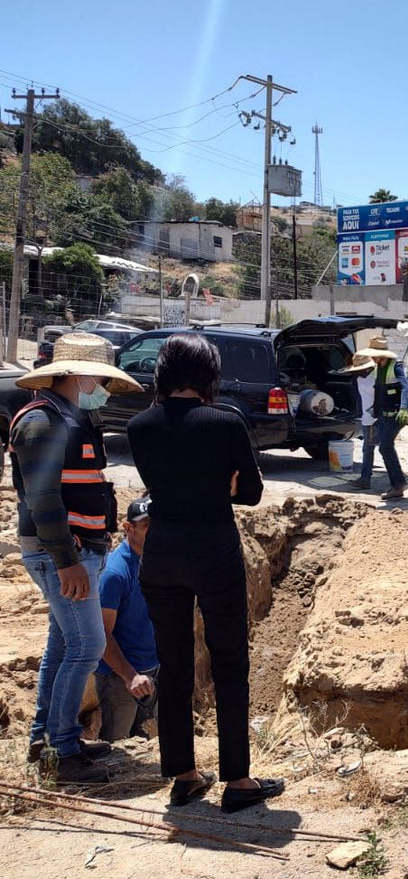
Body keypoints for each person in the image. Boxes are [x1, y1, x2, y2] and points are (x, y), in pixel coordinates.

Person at [125, 333, 282, 813]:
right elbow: (251, 493)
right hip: (214, 551)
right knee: (230, 661)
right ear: (208, 374)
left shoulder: (139, 425)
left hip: (163, 553)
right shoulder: (226, 422)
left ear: (164, 372)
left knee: (173, 666)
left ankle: (185, 775)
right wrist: (222, 487)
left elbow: (161, 488)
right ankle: (238, 780)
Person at [9, 333, 142, 783]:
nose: (102, 388)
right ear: (79, 375)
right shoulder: (41, 423)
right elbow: (43, 501)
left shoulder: (71, 417)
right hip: (62, 553)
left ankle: (46, 736)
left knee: (64, 644)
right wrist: (67, 561)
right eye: (99, 379)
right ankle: (62, 751)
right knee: (88, 645)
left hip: (77, 550)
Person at [96, 496, 159, 742]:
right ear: (128, 527)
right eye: (146, 525)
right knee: (117, 749)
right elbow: (101, 634)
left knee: (146, 746)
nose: (154, 531)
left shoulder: (157, 559)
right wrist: (130, 676)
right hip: (119, 678)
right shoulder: (115, 573)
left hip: (152, 669)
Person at [351, 335, 408, 501]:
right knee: (381, 447)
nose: (372, 358)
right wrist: (375, 410)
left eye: (374, 355)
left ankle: (398, 484)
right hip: (382, 415)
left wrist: (405, 408)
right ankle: (398, 484)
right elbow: (378, 392)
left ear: (381, 355)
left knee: (385, 447)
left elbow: (405, 388)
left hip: (396, 415)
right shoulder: (378, 369)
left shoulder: (395, 367)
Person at [345, 351, 378, 492]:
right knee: (368, 449)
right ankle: (365, 478)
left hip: (378, 419)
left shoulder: (377, 378)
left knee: (381, 449)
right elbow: (359, 399)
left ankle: (367, 479)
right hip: (366, 419)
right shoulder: (357, 379)